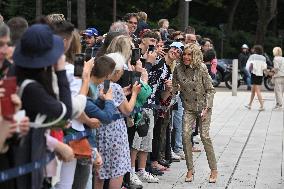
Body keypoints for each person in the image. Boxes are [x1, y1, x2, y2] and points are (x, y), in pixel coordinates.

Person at [13, 24, 73, 189]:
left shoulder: (18, 75)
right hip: (26, 155)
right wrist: (60, 71)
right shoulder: (32, 88)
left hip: (27, 151)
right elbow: (66, 111)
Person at [172, 43, 218, 183]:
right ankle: (190, 169)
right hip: (189, 107)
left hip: (203, 106)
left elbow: (210, 89)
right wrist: (174, 88)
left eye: (189, 54)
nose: (186, 57)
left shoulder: (202, 68)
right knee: (185, 135)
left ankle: (214, 169)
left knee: (204, 136)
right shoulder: (178, 69)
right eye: (184, 54)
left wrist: (207, 107)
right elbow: (174, 88)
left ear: (195, 56)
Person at [95, 53, 141, 189]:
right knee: (118, 167)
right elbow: (127, 110)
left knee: (100, 168)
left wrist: (123, 92)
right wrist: (134, 94)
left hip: (100, 130)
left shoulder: (97, 84)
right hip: (115, 131)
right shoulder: (114, 87)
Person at [245, 45, 267, 111]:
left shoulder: (252, 56)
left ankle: (262, 106)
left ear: (255, 50)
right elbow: (264, 67)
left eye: (254, 49)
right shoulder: (263, 58)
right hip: (260, 75)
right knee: (253, 90)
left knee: (257, 91)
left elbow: (247, 66)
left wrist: (250, 69)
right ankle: (249, 104)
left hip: (254, 74)